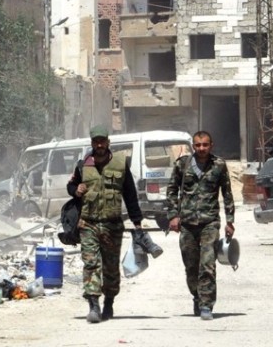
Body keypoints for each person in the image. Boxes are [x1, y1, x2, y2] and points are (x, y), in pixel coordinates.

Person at [67, 125, 163, 323]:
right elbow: (71, 185)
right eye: (96, 142)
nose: (99, 145)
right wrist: (76, 190)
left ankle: (109, 302)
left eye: (102, 141)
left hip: (112, 225)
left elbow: (130, 195)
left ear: (108, 142)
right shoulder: (82, 165)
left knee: (110, 267)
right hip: (88, 224)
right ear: (92, 143)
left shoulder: (120, 164)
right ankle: (94, 305)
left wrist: (137, 223)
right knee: (91, 264)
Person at [165, 130, 235, 321]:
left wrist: (230, 221)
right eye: (198, 145)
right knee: (191, 266)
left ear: (211, 145)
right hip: (187, 224)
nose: (201, 148)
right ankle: (197, 296)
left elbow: (227, 193)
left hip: (209, 223)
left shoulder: (219, 165)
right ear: (193, 146)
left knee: (207, 265)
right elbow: (171, 190)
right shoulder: (182, 164)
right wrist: (173, 216)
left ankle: (206, 304)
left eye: (205, 144)